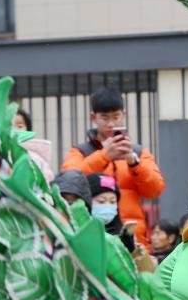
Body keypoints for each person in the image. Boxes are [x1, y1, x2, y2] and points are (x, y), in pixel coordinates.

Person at [61, 88, 164, 247]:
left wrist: (134, 162)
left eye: (116, 116)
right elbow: (69, 182)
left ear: (123, 114)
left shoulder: (137, 152)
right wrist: (104, 156)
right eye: (104, 117)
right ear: (93, 117)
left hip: (135, 241)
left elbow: (155, 189)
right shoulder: (80, 152)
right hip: (93, 239)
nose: (111, 123)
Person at [13, 107, 55, 182]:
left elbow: (46, 179)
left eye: (19, 126)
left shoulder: (35, 156)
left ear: (28, 130)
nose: (15, 130)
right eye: (10, 126)